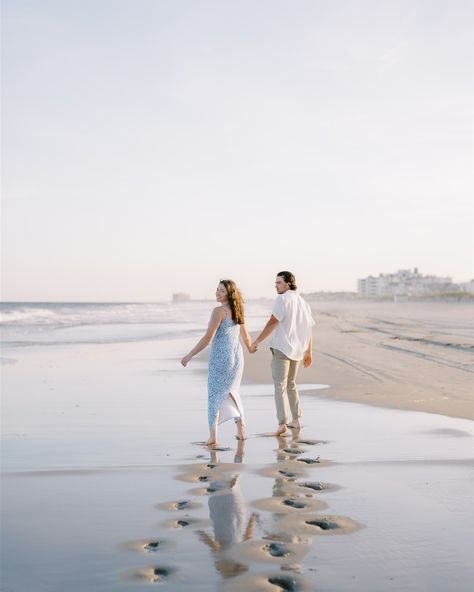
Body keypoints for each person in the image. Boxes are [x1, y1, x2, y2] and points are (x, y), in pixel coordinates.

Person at [181, 279, 253, 446]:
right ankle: (241, 431)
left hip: (221, 359)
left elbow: (208, 338)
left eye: (221, 291)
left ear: (229, 293)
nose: (217, 293)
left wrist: (190, 354)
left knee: (214, 396)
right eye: (217, 290)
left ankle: (213, 436)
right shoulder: (238, 310)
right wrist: (251, 347)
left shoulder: (219, 311)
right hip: (236, 358)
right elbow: (246, 337)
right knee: (233, 392)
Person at [251, 271, 314, 436]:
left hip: (283, 348)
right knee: (291, 384)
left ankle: (281, 424)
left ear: (288, 284)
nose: (276, 285)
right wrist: (309, 352)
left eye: (279, 282)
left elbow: (273, 321)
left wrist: (257, 341)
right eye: (275, 282)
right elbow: (309, 330)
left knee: (280, 386)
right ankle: (296, 420)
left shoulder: (283, 299)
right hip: (298, 350)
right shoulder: (303, 302)